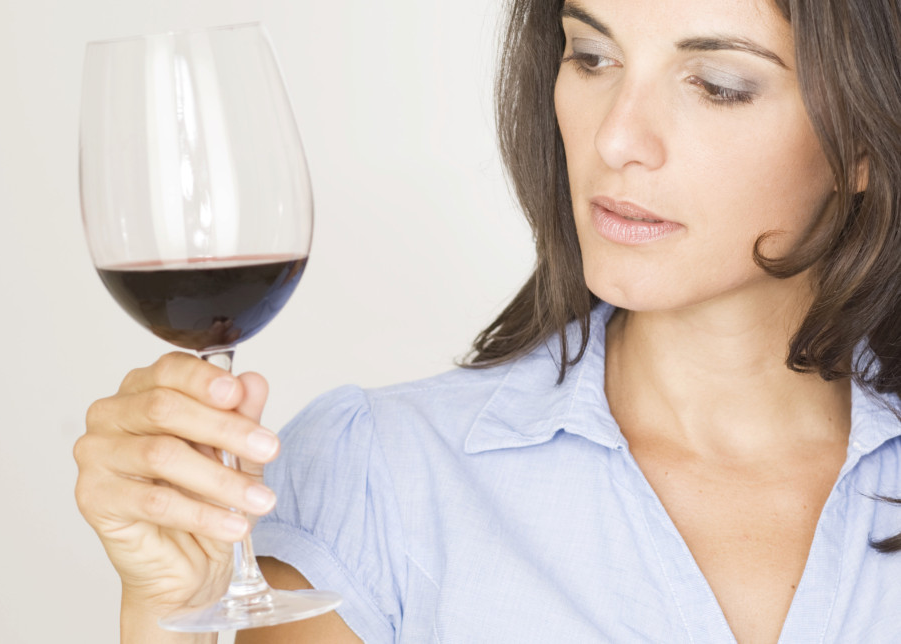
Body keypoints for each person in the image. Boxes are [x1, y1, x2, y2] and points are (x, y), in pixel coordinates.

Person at [73, 0, 901, 641]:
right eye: (590, 57)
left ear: (865, 137)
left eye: (717, 85)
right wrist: (165, 607)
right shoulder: (384, 480)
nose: (616, 137)